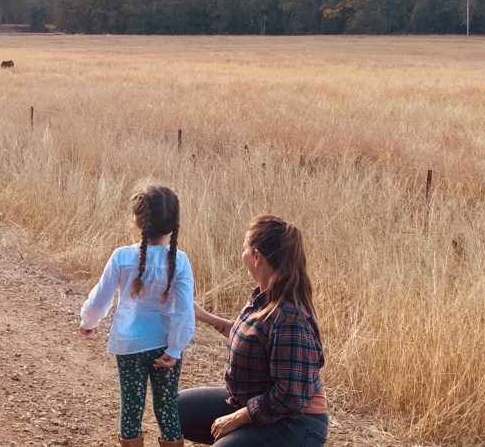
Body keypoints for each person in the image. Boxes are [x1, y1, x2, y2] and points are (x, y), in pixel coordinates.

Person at [179, 215, 328, 446]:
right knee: (173, 410)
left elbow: (289, 396)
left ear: (256, 256)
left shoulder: (290, 318)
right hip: (256, 406)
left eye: (244, 248)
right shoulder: (264, 295)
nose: (242, 254)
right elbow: (249, 339)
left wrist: (237, 418)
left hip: (296, 424)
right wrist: (201, 314)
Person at [79, 184, 196, 447]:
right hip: (165, 346)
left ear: (136, 220)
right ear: (174, 224)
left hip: (129, 345)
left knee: (130, 407)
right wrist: (176, 347)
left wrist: (89, 322)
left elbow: (101, 297)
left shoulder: (121, 257)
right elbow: (184, 309)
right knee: (167, 408)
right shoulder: (181, 261)